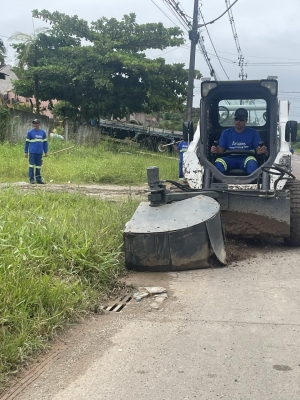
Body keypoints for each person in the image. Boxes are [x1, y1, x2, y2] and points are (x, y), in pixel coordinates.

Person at [211, 108, 267, 174]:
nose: (238, 122)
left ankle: (252, 183)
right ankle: (220, 183)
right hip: (229, 158)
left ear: (246, 121)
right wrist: (216, 150)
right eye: (236, 119)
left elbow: (258, 150)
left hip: (246, 158)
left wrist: (261, 150)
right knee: (218, 163)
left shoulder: (253, 133)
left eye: (241, 120)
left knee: (252, 163)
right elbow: (220, 151)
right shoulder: (226, 133)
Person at [24, 119, 48, 184]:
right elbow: (27, 143)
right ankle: (31, 180)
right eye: (34, 123)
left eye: (36, 123)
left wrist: (46, 152)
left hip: (39, 153)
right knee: (31, 166)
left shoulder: (43, 133)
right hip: (32, 152)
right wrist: (26, 152)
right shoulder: (30, 132)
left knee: (38, 166)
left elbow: (45, 143)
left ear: (39, 124)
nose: (35, 125)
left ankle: (38, 179)